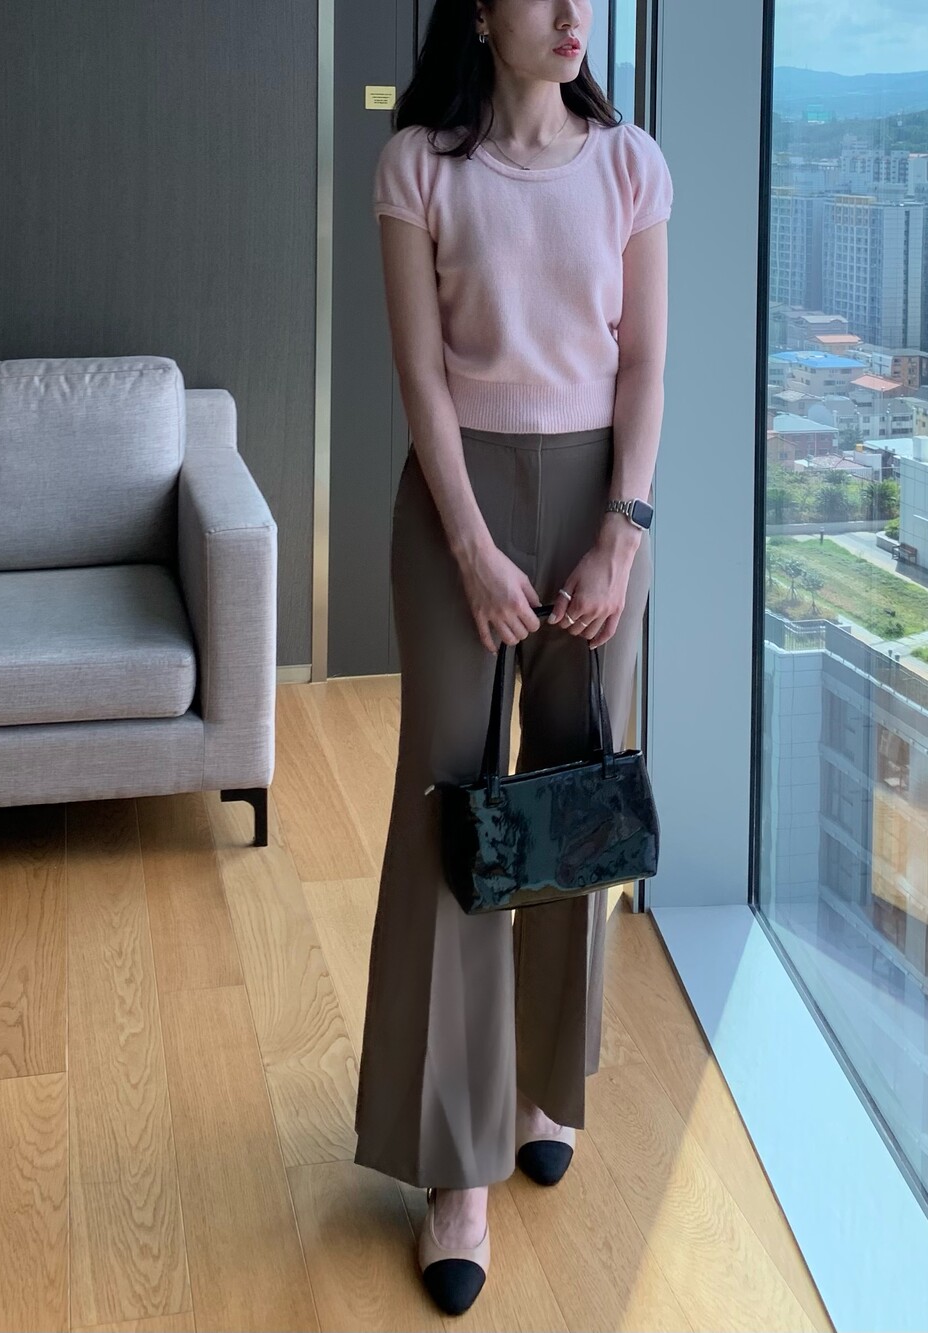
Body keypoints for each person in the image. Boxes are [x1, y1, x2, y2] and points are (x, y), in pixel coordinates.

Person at [354, 0, 672, 1314]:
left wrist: (622, 535)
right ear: (482, 12)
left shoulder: (632, 165)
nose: (572, 15)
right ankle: (455, 1163)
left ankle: (543, 1085)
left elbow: (644, 367)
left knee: (574, 798)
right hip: (458, 508)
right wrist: (474, 548)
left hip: (599, 505)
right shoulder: (419, 166)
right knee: (453, 803)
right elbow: (422, 382)